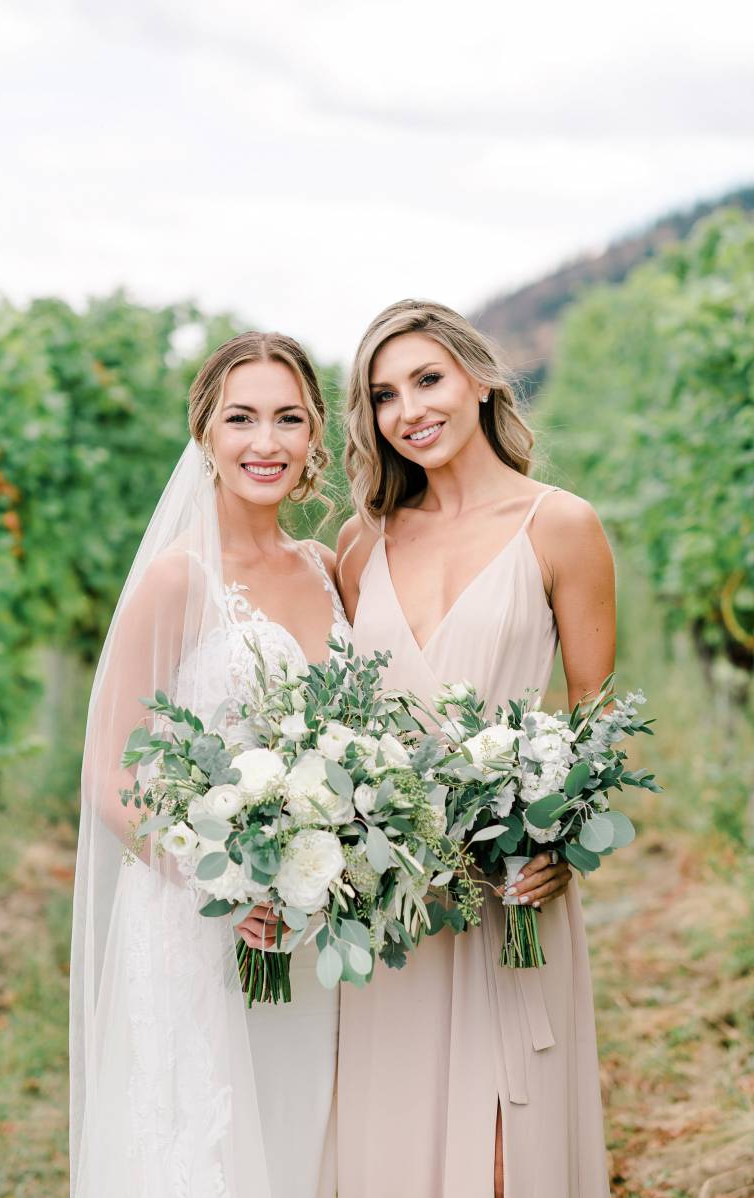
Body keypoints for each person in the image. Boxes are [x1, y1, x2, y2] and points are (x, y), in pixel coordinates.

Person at [335, 299, 615, 1198]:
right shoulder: (359, 542)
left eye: (427, 379)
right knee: (391, 1147)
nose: (408, 409)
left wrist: (561, 841)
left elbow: (592, 714)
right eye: (384, 395)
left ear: (481, 377)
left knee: (504, 1152)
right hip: (394, 903)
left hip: (507, 888)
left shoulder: (560, 524)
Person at [70, 332, 349, 1198]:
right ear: (206, 436)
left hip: (304, 918)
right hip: (201, 914)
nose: (265, 442)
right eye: (241, 418)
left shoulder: (326, 567)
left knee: (294, 1131)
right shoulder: (177, 579)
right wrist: (220, 886)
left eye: (287, 419)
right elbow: (111, 774)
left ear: (314, 441)